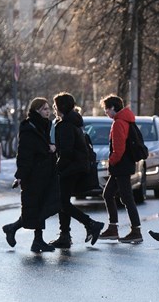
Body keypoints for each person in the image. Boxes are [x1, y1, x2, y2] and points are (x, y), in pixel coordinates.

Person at [2, 98, 60, 252]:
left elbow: (50, 145)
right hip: (34, 175)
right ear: (36, 111)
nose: (48, 112)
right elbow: (24, 154)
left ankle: (35, 239)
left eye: (48, 109)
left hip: (46, 173)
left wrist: (53, 148)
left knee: (41, 208)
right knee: (34, 209)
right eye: (44, 109)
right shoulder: (29, 128)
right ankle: (16, 230)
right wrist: (20, 175)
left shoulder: (47, 126)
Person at [49, 92, 105, 249]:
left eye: (55, 105)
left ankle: (90, 224)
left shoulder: (65, 125)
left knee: (62, 202)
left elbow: (66, 152)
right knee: (63, 201)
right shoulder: (73, 121)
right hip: (76, 166)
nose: (54, 108)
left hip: (71, 167)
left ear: (61, 107)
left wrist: (57, 169)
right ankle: (65, 236)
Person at [98, 94, 143, 244]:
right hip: (125, 165)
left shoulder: (118, 123)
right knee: (109, 193)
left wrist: (111, 161)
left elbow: (119, 148)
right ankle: (113, 228)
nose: (105, 112)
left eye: (106, 109)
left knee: (126, 198)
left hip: (121, 166)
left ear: (112, 108)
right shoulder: (127, 120)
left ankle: (135, 230)